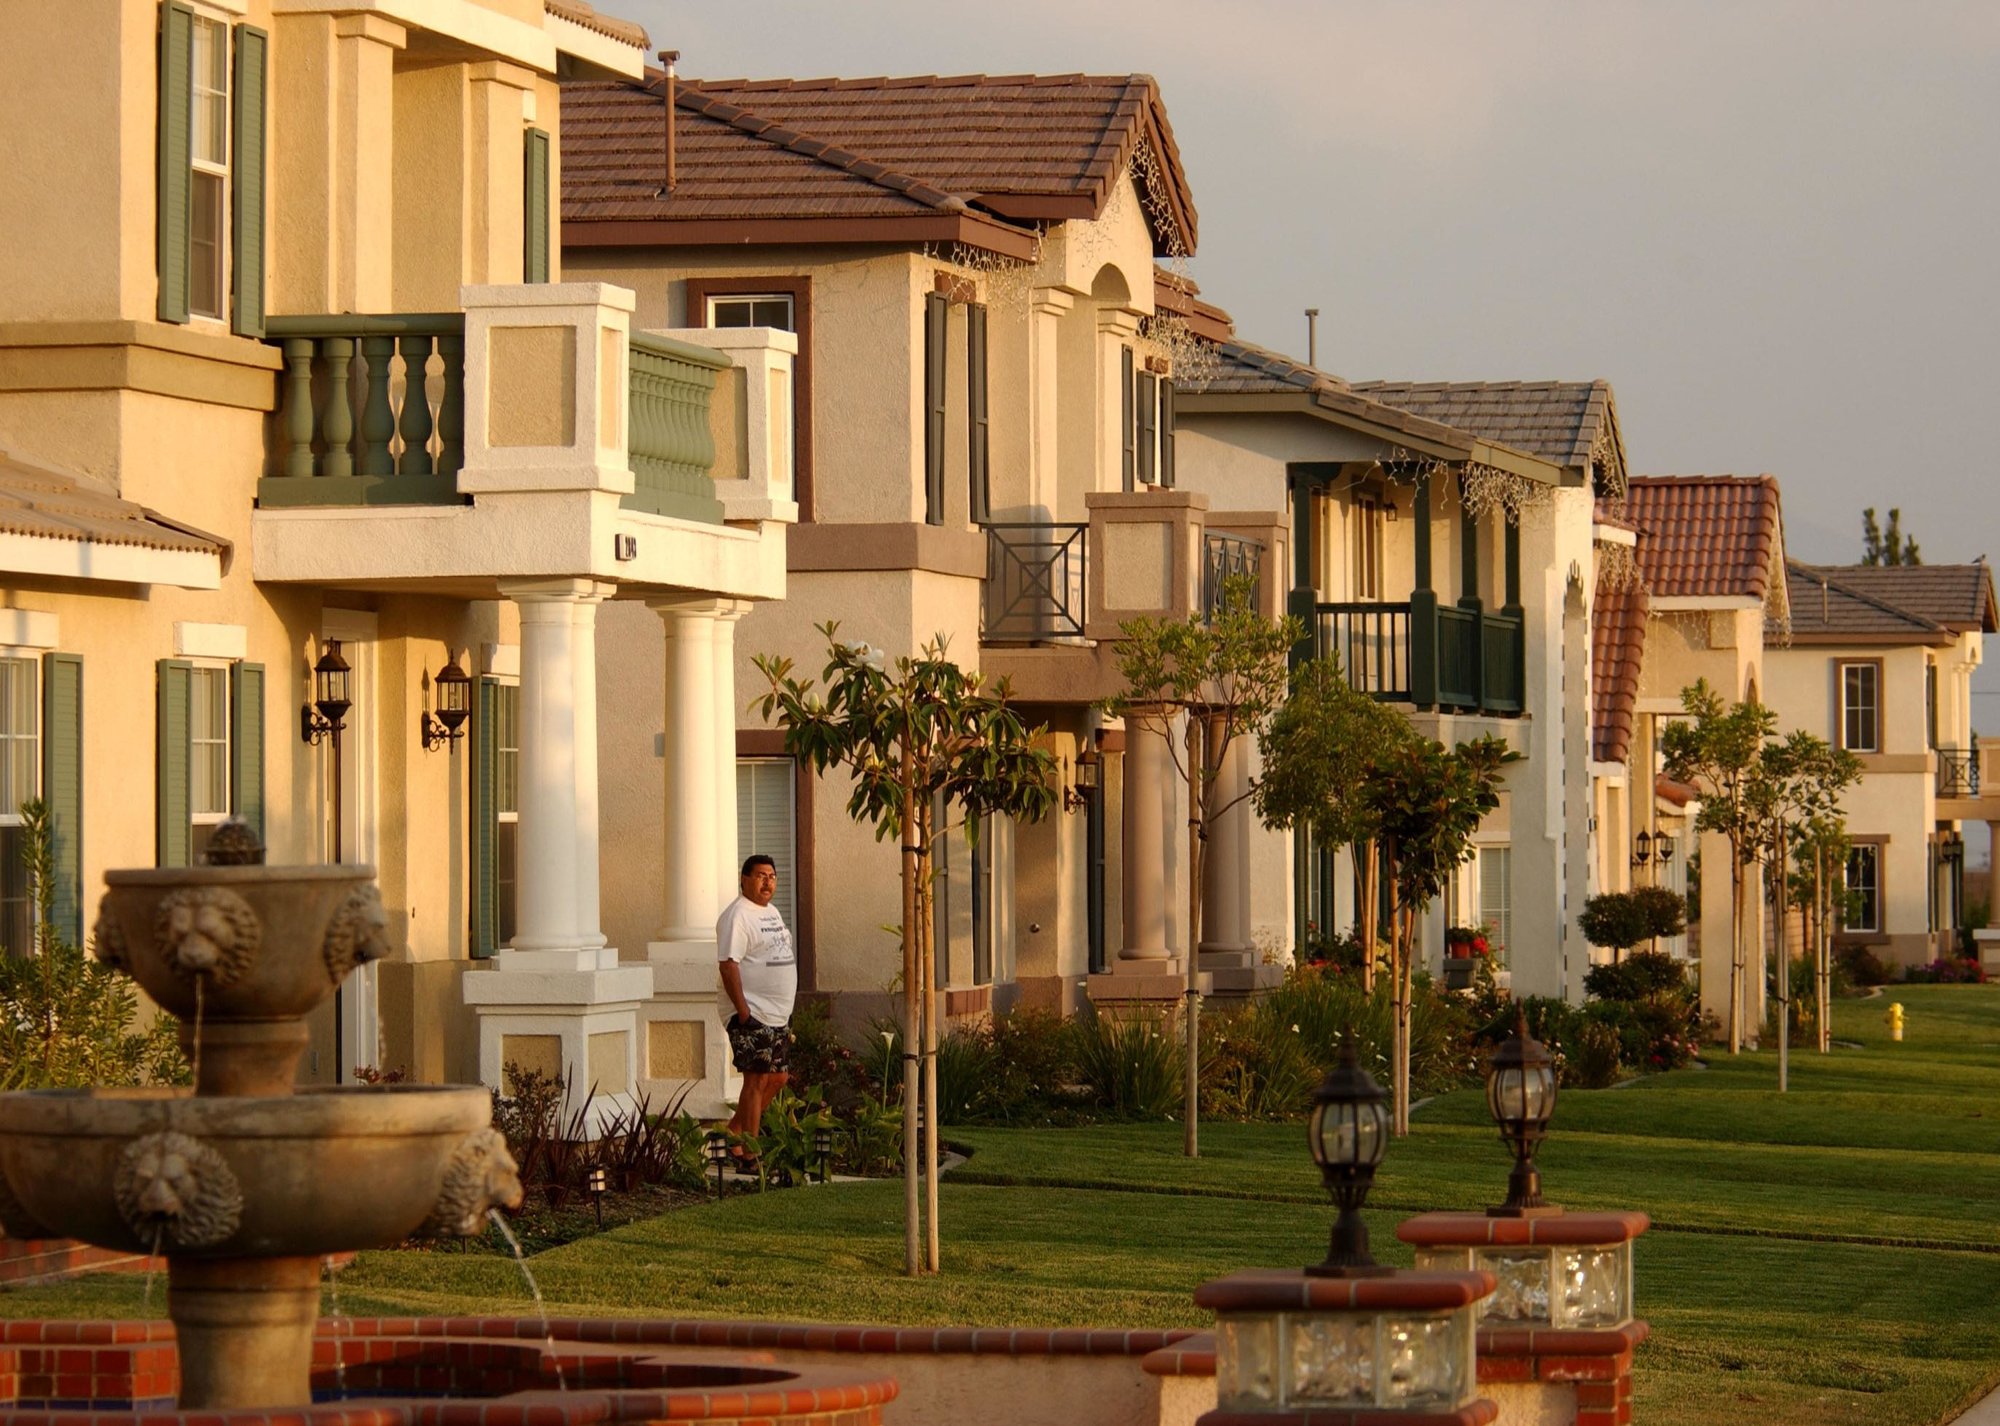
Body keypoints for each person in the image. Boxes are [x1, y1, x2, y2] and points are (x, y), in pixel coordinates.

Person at [717, 854, 796, 1160]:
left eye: (772, 876)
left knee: (778, 1078)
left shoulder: (771, 911)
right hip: (752, 1013)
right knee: (756, 1079)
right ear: (744, 879)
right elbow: (728, 965)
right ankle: (749, 1154)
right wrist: (743, 1011)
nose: (768, 882)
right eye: (761, 876)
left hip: (776, 1014)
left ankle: (732, 1133)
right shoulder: (737, 915)